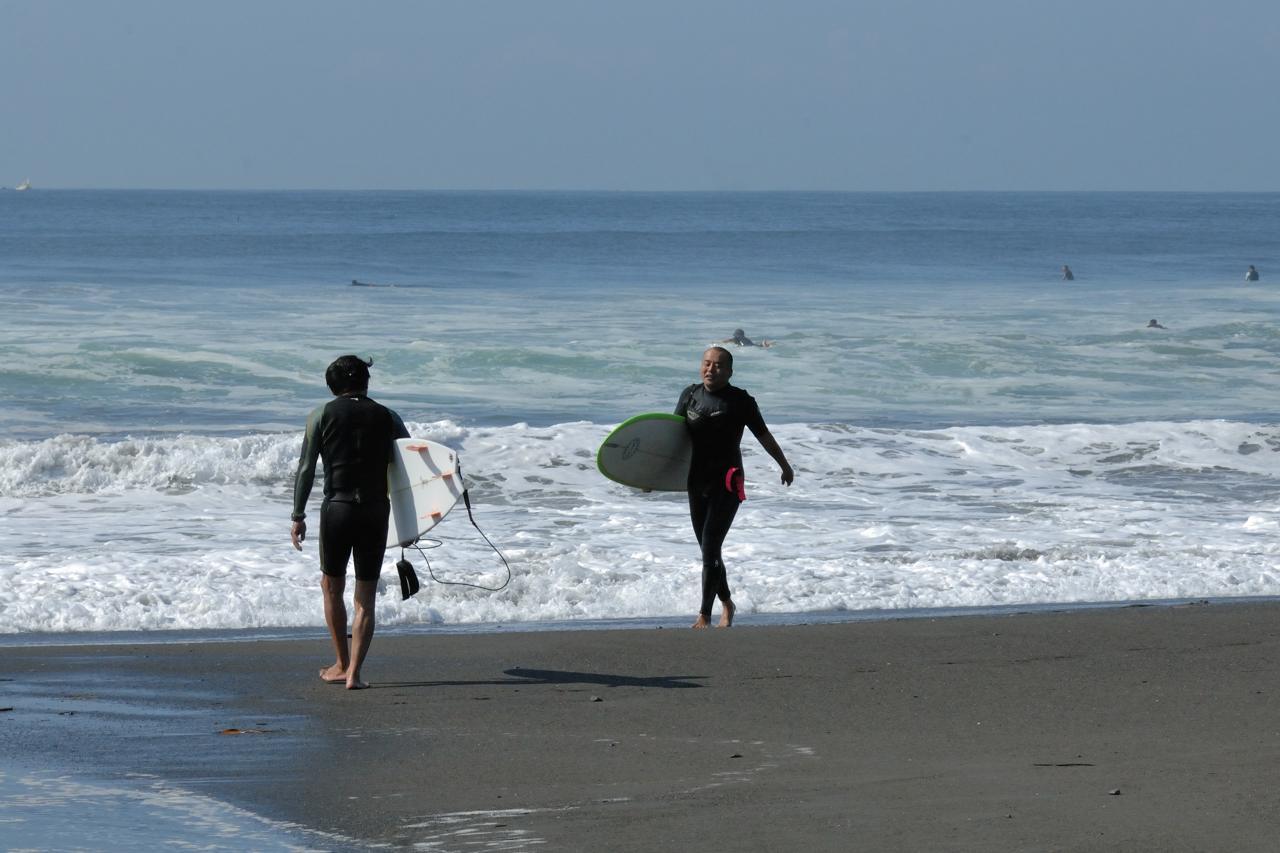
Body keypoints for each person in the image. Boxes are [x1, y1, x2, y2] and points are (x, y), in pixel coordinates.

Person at [291, 355, 409, 689]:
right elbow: (410, 469)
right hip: (375, 510)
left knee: (331, 586)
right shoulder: (388, 416)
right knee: (365, 598)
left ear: (332, 385)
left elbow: (305, 468)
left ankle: (341, 663)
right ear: (365, 382)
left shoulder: (321, 415)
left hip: (338, 510)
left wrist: (298, 515)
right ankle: (355, 673)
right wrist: (410, 523)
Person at [675, 346, 794, 628]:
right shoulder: (690, 395)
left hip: (727, 480)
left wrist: (784, 465)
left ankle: (704, 614)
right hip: (696, 480)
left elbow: (764, 435)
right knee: (708, 551)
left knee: (710, 546)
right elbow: (672, 437)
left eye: (718, 365)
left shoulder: (740, 401)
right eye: (706, 363)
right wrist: (649, 475)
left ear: (729, 371)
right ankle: (727, 602)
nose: (710, 369)